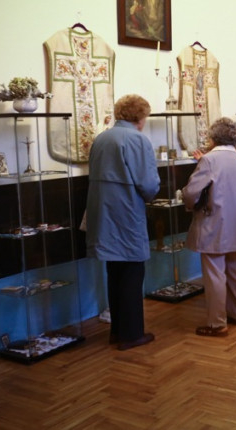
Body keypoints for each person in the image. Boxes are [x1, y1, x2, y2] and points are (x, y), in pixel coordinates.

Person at [86, 94, 161, 351]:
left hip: (101, 210)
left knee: (114, 270)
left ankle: (117, 331)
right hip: (125, 210)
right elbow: (148, 183)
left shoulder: (102, 138)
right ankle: (131, 334)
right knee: (132, 270)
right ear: (140, 117)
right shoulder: (137, 139)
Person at [182, 117, 236, 337]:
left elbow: (192, 192)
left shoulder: (209, 160)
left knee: (215, 274)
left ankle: (217, 323)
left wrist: (187, 201)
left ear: (213, 138)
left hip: (214, 222)